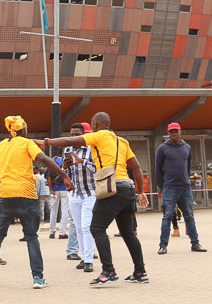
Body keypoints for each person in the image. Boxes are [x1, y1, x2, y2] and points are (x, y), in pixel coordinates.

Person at [43, 112, 149, 284]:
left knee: (97, 229)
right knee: (128, 233)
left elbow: (71, 142)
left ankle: (108, 271)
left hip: (112, 189)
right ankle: (140, 272)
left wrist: (46, 142)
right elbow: (136, 167)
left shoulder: (98, 136)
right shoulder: (121, 141)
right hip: (127, 188)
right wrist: (141, 191)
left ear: (94, 124)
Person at [0, 116, 72, 289]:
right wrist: (64, 176)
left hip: (5, 196)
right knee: (31, 237)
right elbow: (44, 159)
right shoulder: (27, 144)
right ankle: (38, 278)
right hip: (27, 196)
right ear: (24, 130)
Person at [154, 123, 207, 255]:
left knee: (189, 216)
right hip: (169, 188)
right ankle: (163, 245)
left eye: (176, 131)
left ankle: (195, 243)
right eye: (171, 132)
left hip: (185, 187)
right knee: (167, 216)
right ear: (168, 133)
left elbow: (188, 167)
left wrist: (187, 180)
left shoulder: (187, 147)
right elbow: (158, 170)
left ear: (180, 131)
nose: (174, 134)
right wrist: (160, 187)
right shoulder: (162, 148)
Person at [60, 122, 97, 272]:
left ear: (84, 135)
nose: (74, 137)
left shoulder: (91, 150)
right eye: (72, 135)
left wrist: (81, 161)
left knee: (87, 226)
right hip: (74, 193)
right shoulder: (67, 150)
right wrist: (65, 167)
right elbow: (66, 173)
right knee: (79, 227)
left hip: (90, 193)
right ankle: (84, 257)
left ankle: (89, 260)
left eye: (77, 135)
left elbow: (97, 169)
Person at [48, 151, 70, 240]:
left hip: (54, 189)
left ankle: (52, 232)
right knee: (65, 211)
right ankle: (62, 233)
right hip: (65, 189)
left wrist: (51, 189)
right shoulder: (67, 161)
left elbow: (48, 176)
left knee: (53, 210)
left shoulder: (51, 161)